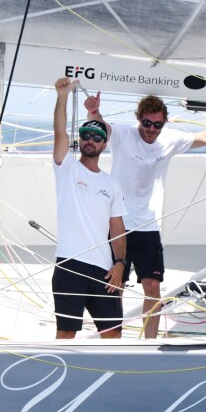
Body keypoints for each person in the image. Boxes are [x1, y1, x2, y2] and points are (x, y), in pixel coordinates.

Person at [84, 87, 206, 338]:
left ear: (163, 123)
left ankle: (149, 343)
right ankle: (112, 337)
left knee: (152, 287)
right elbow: (100, 129)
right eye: (147, 123)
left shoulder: (168, 140)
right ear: (139, 119)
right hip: (118, 224)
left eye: (157, 125)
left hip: (148, 226)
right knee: (116, 286)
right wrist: (94, 112)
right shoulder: (124, 135)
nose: (151, 129)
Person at [53, 77, 127, 340]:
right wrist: (62, 96)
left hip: (105, 269)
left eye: (97, 137)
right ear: (80, 140)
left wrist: (120, 264)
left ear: (104, 144)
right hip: (70, 265)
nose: (91, 140)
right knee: (66, 334)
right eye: (86, 135)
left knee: (113, 335)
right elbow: (60, 134)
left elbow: (117, 228)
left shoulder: (112, 184)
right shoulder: (67, 168)